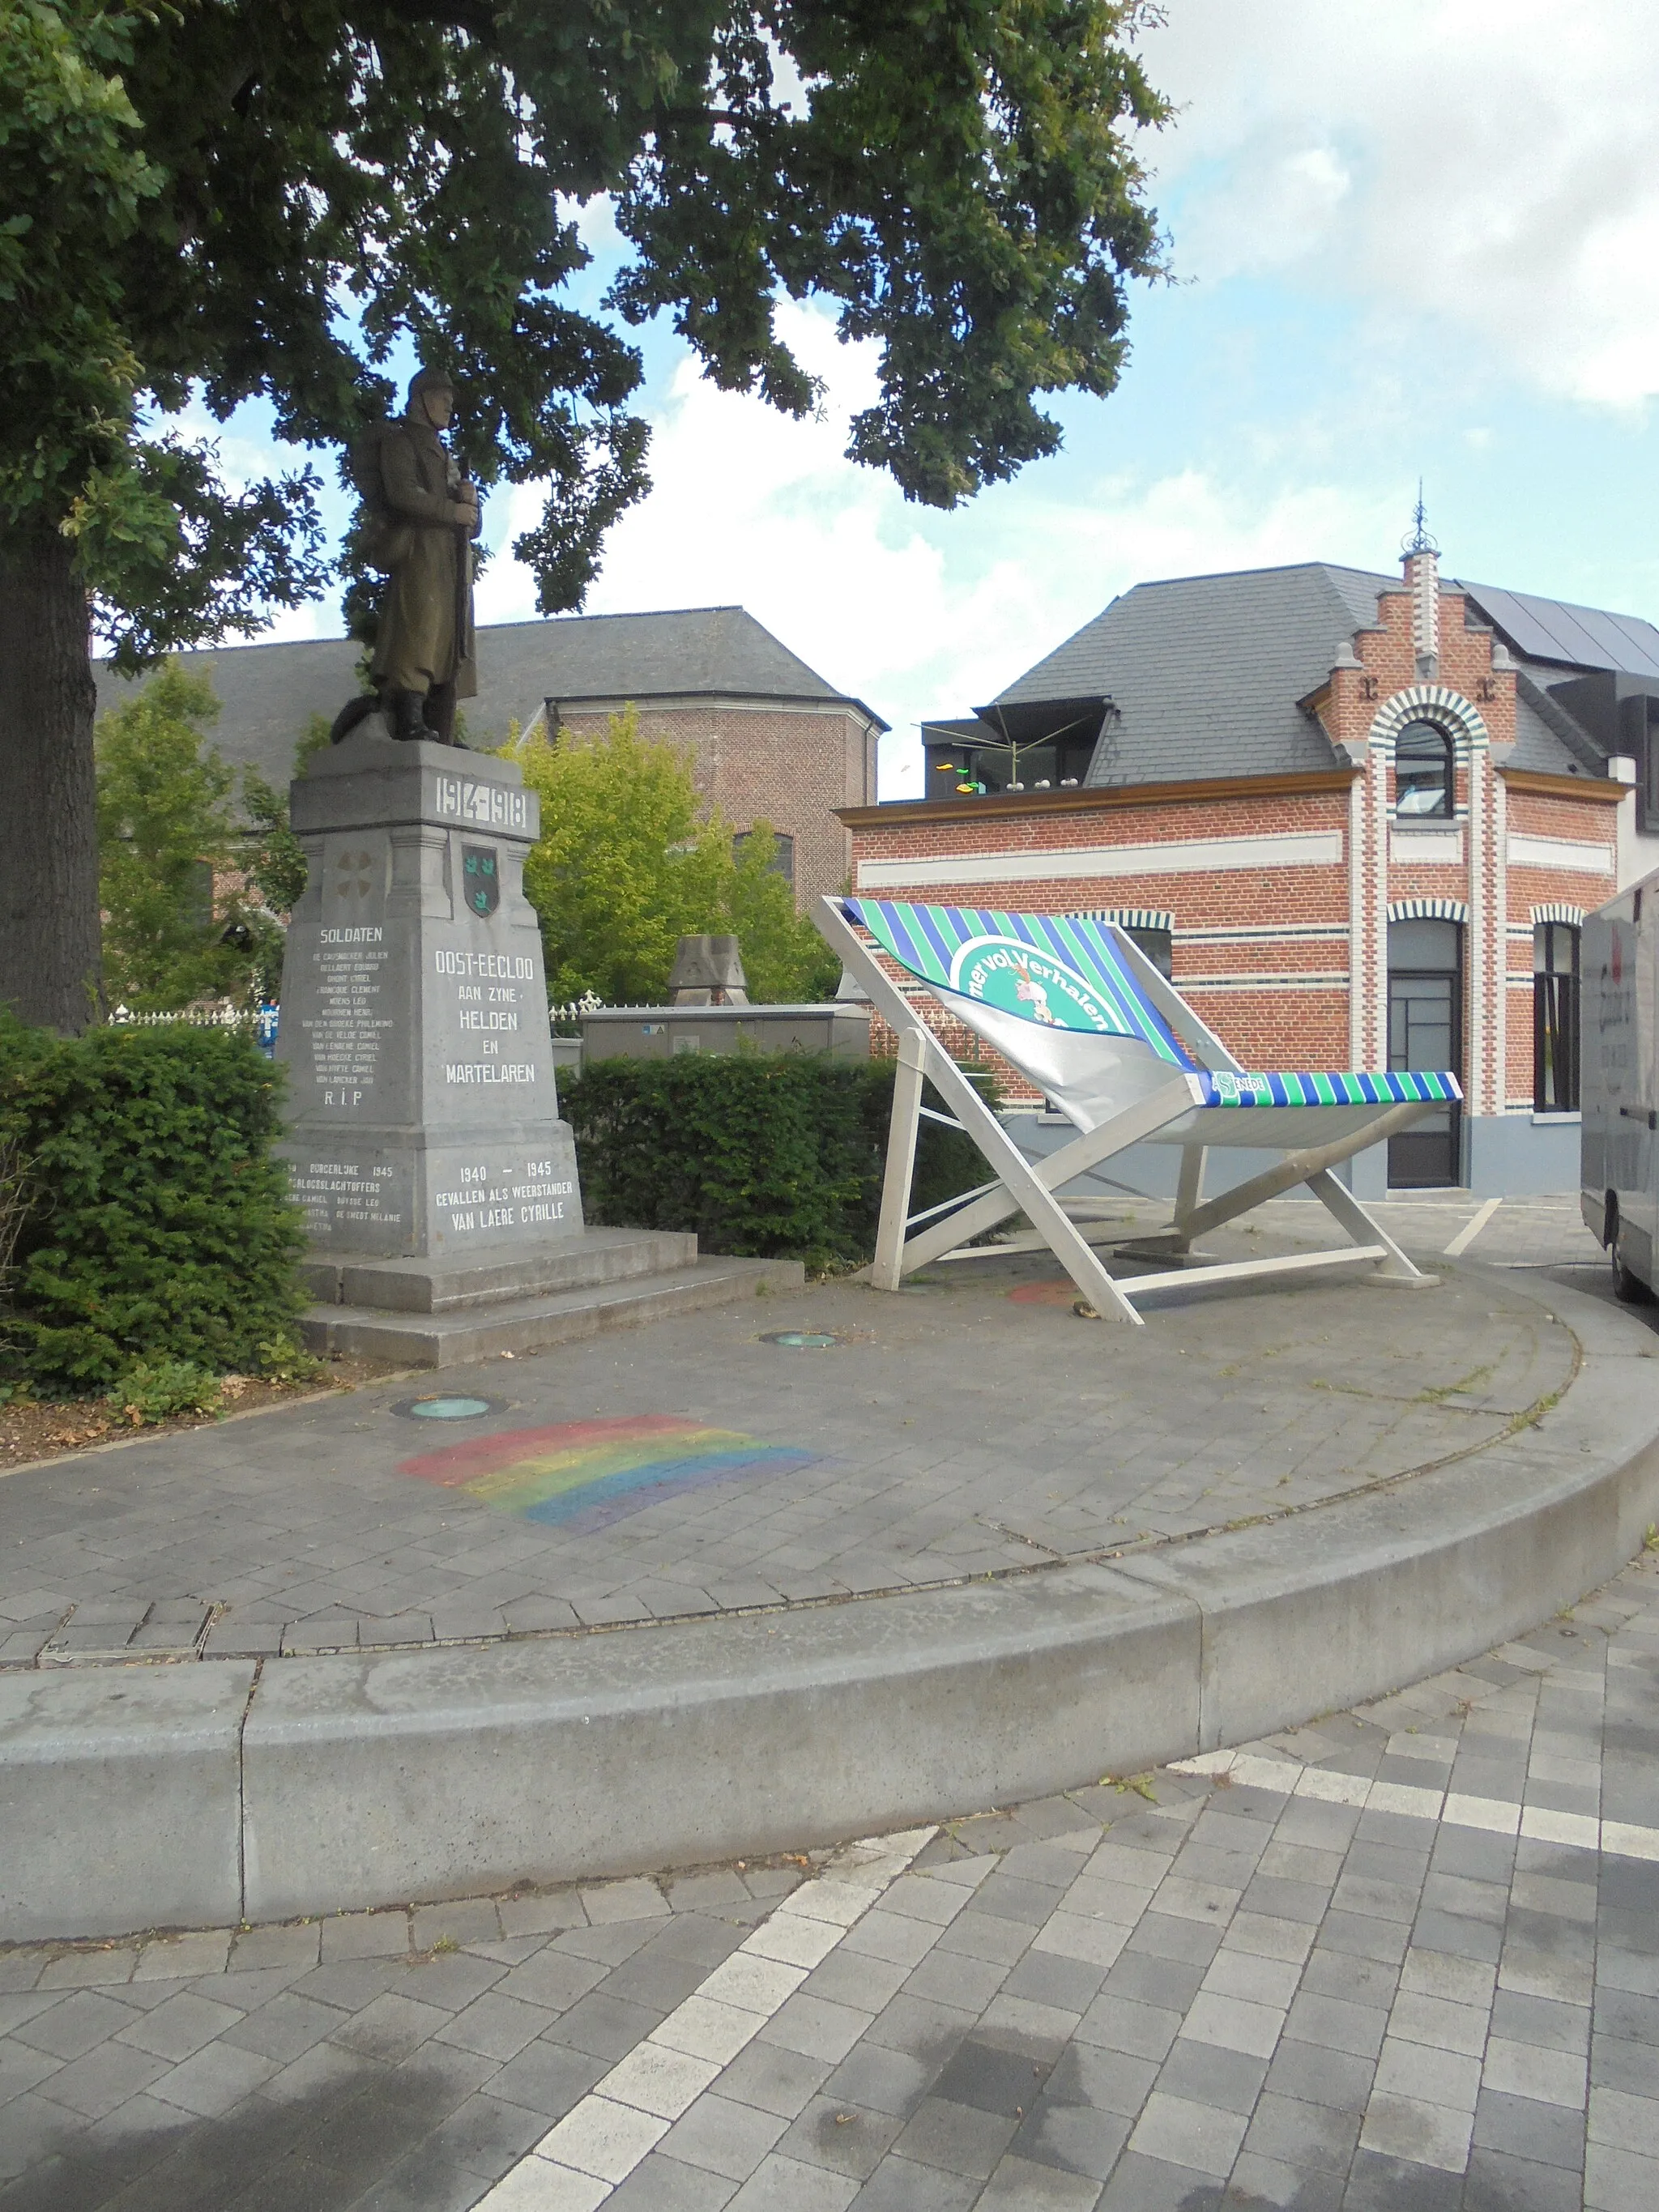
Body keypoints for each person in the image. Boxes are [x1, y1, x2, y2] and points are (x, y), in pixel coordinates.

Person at [331, 366, 480, 745]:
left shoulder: (446, 455)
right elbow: (403, 495)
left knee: (450, 638)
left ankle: (439, 723)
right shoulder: (402, 443)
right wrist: (452, 512)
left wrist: (470, 505)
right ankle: (409, 715)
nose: (449, 407)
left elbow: (469, 523)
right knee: (420, 630)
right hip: (420, 551)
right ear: (421, 400)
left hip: (452, 558)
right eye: (443, 398)